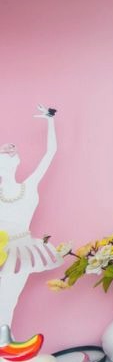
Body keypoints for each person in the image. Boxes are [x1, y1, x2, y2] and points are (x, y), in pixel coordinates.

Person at [0, 107, 61, 328]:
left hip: (21, 249)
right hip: (2, 248)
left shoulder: (29, 185)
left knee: (9, 302)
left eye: (8, 158)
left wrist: (50, 120)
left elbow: (50, 152)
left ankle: (5, 341)